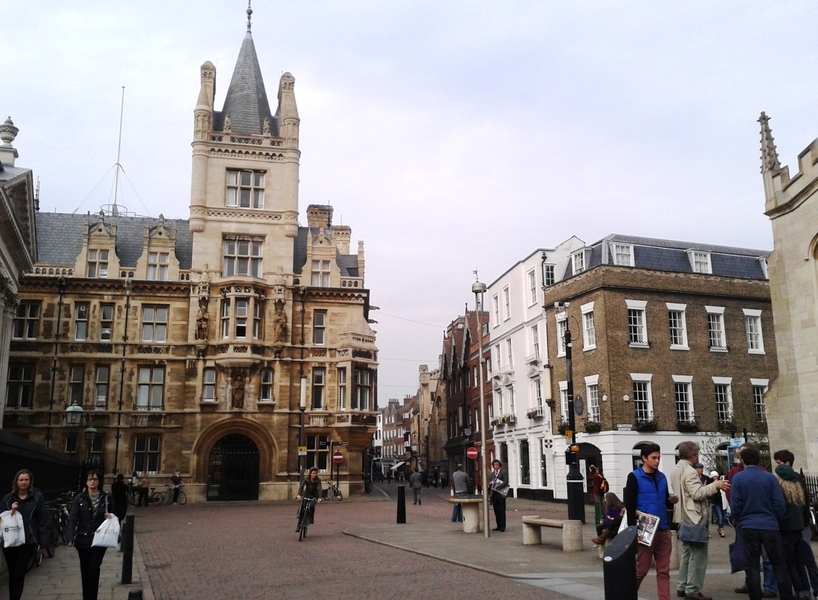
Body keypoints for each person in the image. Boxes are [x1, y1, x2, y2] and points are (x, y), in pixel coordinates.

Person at [731, 443, 793, 600]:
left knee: (752, 566)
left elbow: (735, 505)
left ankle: (755, 596)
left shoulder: (738, 478)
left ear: (743, 460)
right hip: (770, 525)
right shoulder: (770, 478)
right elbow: (779, 504)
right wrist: (776, 518)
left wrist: (739, 518)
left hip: (748, 525)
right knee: (779, 565)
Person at [670, 441, 728, 600]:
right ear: (693, 454)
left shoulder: (676, 469)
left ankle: (682, 586)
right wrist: (715, 485)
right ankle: (693, 589)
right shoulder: (690, 471)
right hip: (694, 517)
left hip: (682, 515)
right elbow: (697, 494)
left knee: (687, 553)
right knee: (698, 556)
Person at [624, 442, 677, 600]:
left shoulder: (662, 477)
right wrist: (633, 531)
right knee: (642, 569)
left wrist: (671, 501)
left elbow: (665, 501)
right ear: (644, 458)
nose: (657, 461)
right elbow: (630, 505)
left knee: (664, 571)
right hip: (646, 528)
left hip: (663, 528)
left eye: (658, 458)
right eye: (653, 458)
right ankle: (627, 594)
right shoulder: (634, 477)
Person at [774, 449, 818, 599]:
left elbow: (779, 508)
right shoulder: (799, 482)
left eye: (779, 463)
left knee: (793, 563)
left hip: (787, 529)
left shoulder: (780, 485)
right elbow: (805, 505)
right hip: (800, 526)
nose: (776, 466)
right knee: (807, 561)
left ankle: (801, 591)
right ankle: (812, 589)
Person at [0, 469, 49, 600]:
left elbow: (42, 520)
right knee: (12, 573)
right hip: (10, 541)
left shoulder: (37, 497)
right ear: (16, 482)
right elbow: (1, 519)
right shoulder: (8, 498)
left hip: (28, 540)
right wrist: (11, 511)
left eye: (26, 479)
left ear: (30, 481)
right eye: (21, 480)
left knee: (19, 573)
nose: (24, 482)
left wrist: (43, 543)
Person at [67, 469, 114, 600]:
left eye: (95, 479)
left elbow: (116, 514)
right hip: (83, 539)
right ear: (86, 482)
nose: (92, 481)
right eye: (90, 479)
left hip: (100, 539)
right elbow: (73, 518)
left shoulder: (106, 497)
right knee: (85, 571)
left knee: (94, 568)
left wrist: (110, 516)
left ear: (99, 481)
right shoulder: (79, 498)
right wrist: (70, 537)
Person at [489, 460, 509, 532]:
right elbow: (490, 482)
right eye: (494, 465)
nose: (496, 466)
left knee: (501, 510)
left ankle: (502, 526)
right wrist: (490, 484)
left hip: (501, 493)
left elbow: (506, 482)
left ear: (499, 465)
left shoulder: (504, 472)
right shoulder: (492, 474)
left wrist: (499, 485)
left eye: (497, 465)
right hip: (494, 493)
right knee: (496, 510)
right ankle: (498, 525)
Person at [708, 471, 727, 538]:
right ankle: (722, 530)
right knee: (720, 517)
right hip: (716, 503)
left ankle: (720, 528)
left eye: (716, 476)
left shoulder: (720, 483)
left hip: (722, 502)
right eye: (714, 476)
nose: (715, 477)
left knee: (723, 517)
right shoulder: (711, 484)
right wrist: (712, 502)